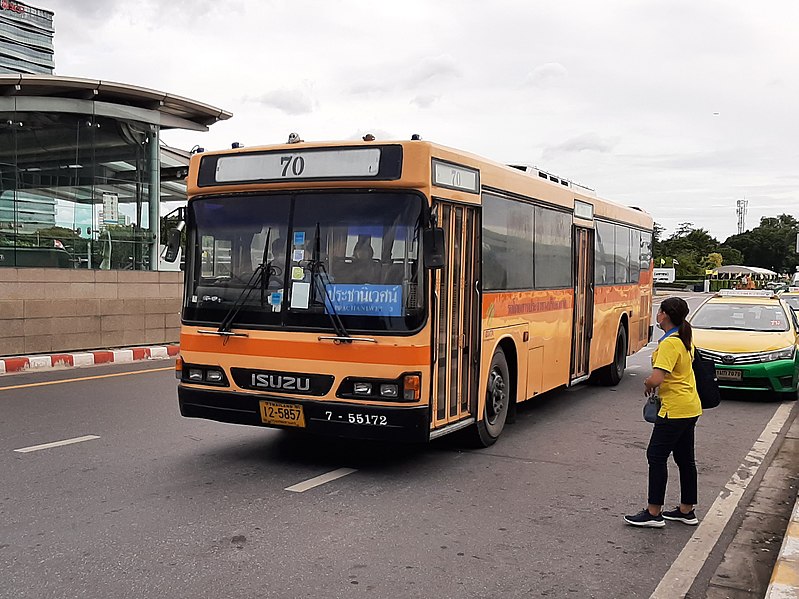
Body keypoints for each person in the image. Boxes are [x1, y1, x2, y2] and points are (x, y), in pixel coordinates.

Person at [624, 297, 703, 528]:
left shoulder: (670, 343)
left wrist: (648, 383)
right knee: (685, 460)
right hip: (690, 406)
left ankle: (653, 512)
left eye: (658, 312)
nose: (656, 315)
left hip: (674, 410)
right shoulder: (684, 338)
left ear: (665, 315)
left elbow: (658, 376)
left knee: (656, 457)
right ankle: (686, 510)